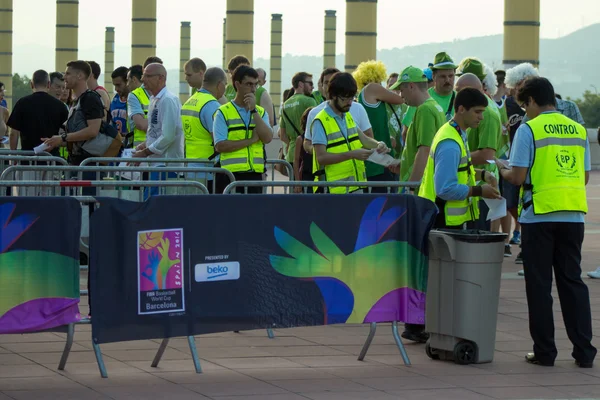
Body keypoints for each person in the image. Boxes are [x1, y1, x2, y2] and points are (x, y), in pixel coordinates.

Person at [498, 77, 596, 369]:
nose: (524, 111)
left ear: (530, 102)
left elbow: (516, 177)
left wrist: (501, 171)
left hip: (539, 215)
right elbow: (585, 176)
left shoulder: (529, 129)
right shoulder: (578, 130)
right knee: (572, 282)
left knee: (540, 286)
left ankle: (545, 352)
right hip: (573, 215)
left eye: (524, 105)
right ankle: (584, 352)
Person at [419, 87, 501, 228]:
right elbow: (445, 189)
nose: (481, 117)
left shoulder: (456, 132)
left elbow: (460, 170)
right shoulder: (450, 143)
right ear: (462, 109)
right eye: (477, 112)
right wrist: (480, 191)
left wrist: (483, 175)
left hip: (444, 218)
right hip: (441, 219)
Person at [311, 72, 390, 194]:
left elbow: (364, 139)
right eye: (345, 98)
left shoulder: (347, 116)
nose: (350, 102)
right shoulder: (320, 121)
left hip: (355, 187)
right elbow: (321, 158)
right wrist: (352, 154)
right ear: (333, 96)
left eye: (352, 98)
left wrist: (378, 144)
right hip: (332, 191)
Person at [455, 62, 502, 231]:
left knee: (478, 243)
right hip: (474, 185)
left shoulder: (487, 114)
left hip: (481, 190)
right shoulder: (471, 112)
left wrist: (455, 161)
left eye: (460, 91)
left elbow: (486, 154)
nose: (456, 96)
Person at [214, 65, 272, 194]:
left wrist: (253, 110)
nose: (253, 89)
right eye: (249, 84)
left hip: (255, 175)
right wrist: (251, 140)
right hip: (230, 176)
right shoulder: (223, 112)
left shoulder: (260, 112)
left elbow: (268, 138)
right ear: (237, 84)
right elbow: (220, 145)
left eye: (255, 85)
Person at [391, 66, 445, 187]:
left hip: (419, 186)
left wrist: (411, 185)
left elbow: (425, 150)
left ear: (411, 86)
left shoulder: (424, 109)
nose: (401, 95)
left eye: (401, 90)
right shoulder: (435, 106)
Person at [353, 61, 404, 190]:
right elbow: (401, 99)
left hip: (374, 158)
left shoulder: (362, 96)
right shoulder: (373, 88)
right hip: (379, 159)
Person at [42, 61, 104, 165]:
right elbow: (77, 134)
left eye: (68, 73)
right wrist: (55, 142)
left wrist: (62, 138)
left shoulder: (90, 98)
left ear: (80, 76)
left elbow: (93, 131)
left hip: (89, 164)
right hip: (76, 161)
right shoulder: (76, 101)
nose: (64, 77)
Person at [304, 68, 374, 155]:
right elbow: (308, 143)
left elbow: (366, 137)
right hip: (330, 168)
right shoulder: (316, 115)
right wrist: (318, 150)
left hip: (355, 166)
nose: (330, 86)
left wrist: (378, 145)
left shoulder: (351, 111)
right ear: (321, 86)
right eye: (326, 82)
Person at [182, 62, 226, 193]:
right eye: (226, 84)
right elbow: (219, 140)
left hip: (190, 168)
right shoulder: (212, 105)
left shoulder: (190, 101)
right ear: (220, 84)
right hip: (208, 171)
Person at [132, 63, 184, 164]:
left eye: (148, 76)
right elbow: (155, 132)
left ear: (160, 78)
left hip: (167, 165)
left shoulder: (168, 100)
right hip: (155, 163)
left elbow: (168, 136)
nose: (143, 79)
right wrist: (144, 145)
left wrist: (144, 152)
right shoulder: (154, 99)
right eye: (143, 75)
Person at [7, 69, 68, 154]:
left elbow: (13, 133)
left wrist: (13, 156)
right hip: (52, 160)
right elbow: (68, 135)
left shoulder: (22, 103)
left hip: (27, 158)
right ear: (49, 84)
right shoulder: (61, 106)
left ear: (31, 84)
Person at [279, 72, 317, 174]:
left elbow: (282, 135)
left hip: (291, 155)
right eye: (310, 83)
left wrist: (292, 144)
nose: (313, 87)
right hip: (307, 154)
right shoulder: (309, 101)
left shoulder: (285, 105)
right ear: (300, 84)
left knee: (294, 188)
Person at [127, 64, 150, 147]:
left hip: (141, 150)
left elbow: (141, 124)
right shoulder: (136, 95)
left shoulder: (134, 95)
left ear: (134, 79)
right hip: (142, 150)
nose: (127, 84)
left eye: (127, 80)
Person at [109, 66, 130, 136]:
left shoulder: (135, 100)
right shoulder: (115, 99)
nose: (116, 89)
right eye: (115, 85)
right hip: (117, 142)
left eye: (118, 85)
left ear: (127, 82)